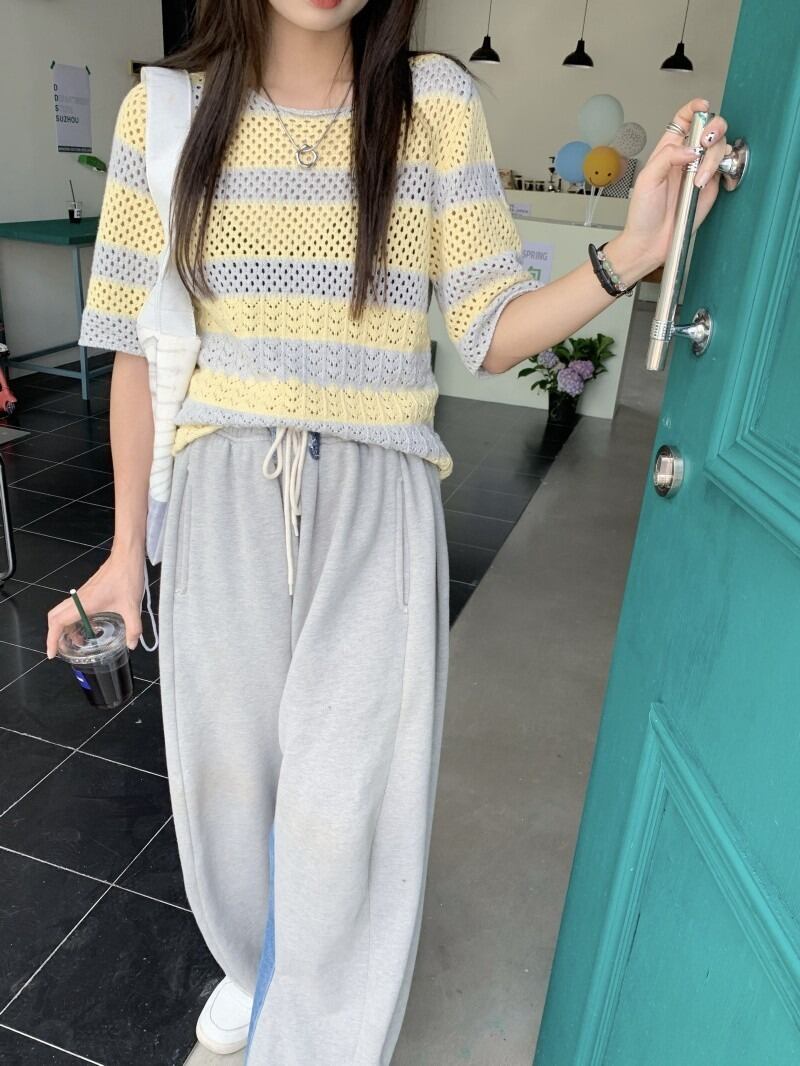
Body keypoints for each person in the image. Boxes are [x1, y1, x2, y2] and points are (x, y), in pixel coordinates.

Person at [44, 0, 730, 1060]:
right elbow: (135, 347)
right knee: (226, 794)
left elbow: (487, 329)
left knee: (346, 807)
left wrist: (632, 254)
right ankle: (259, 965)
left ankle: (321, 1033)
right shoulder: (165, 111)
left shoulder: (433, 104)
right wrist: (124, 552)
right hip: (223, 496)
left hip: (378, 498)